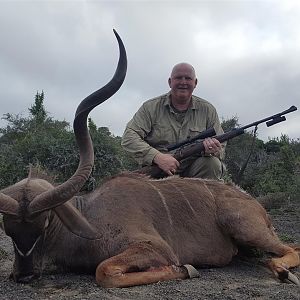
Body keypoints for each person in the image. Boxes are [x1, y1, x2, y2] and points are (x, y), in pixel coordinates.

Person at [121, 62, 225, 180]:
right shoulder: (150, 107)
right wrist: (157, 157)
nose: (183, 82)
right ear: (170, 82)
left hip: (193, 171)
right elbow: (129, 137)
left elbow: (221, 145)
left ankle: (204, 199)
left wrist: (212, 150)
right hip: (157, 170)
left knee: (212, 164)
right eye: (178, 78)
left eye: (188, 78)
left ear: (195, 83)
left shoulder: (208, 110)